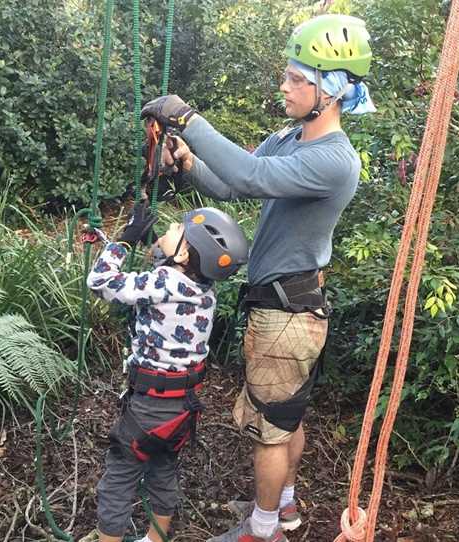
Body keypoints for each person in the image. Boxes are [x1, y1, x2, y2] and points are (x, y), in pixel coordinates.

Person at [140, 14, 376, 542]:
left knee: (269, 432)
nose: (285, 86)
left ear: (330, 90)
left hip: (287, 313)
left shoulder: (335, 159)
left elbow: (250, 176)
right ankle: (284, 508)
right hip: (284, 307)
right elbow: (233, 185)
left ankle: (262, 529)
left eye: (297, 79)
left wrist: (188, 120)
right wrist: (186, 161)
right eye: (287, 75)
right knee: (285, 418)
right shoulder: (289, 138)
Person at [86, 200, 249, 542]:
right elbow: (167, 279)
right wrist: (157, 246)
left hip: (148, 405)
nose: (172, 227)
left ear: (184, 257)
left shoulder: (164, 281)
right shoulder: (203, 289)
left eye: (179, 230)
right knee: (162, 469)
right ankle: (155, 538)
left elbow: (100, 281)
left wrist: (124, 241)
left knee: (119, 476)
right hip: (182, 404)